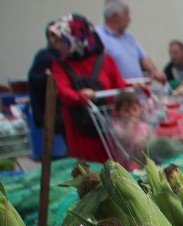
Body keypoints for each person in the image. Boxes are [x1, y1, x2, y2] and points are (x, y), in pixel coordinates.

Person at [49, 13, 131, 162]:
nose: (58, 46)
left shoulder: (105, 60)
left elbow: (120, 86)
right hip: (80, 133)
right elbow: (63, 91)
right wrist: (80, 96)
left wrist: (135, 87)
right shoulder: (59, 66)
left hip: (108, 131)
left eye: (61, 40)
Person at [96, 1, 166, 83]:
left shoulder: (128, 36)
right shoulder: (98, 36)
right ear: (115, 16)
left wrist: (154, 71)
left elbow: (143, 57)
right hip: (120, 93)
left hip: (138, 90)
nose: (130, 19)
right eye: (126, 15)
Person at [27, 22, 64, 134]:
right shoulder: (45, 56)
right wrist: (48, 77)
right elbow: (35, 79)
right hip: (51, 113)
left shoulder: (64, 56)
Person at [111, 91, 150, 169]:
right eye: (126, 111)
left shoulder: (142, 124)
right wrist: (131, 123)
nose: (131, 113)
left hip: (148, 156)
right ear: (118, 113)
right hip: (130, 161)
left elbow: (152, 137)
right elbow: (125, 138)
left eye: (134, 109)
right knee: (139, 144)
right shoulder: (118, 126)